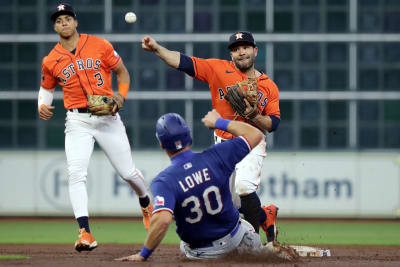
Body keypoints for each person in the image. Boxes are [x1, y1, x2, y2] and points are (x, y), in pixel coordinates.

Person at [141, 31, 280, 241]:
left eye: (245, 47)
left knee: (243, 187)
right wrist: (157, 49)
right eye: (235, 49)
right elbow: (183, 62)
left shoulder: (268, 86)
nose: (241, 52)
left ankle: (253, 244)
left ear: (255, 51)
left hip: (251, 142)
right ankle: (265, 215)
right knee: (230, 203)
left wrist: (254, 115)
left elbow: (273, 124)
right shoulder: (218, 68)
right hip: (223, 143)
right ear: (231, 55)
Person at [38, 3, 153, 252]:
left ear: (76, 22)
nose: (64, 23)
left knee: (127, 173)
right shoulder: (50, 60)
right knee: (76, 173)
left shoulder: (100, 45)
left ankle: (145, 201)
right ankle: (85, 232)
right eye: (59, 21)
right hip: (77, 120)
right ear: (55, 27)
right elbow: (47, 87)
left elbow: (123, 74)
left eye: (67, 18)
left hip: (107, 116)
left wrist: (121, 97)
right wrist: (42, 104)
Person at [116, 110, 274, 261]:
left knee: (183, 245)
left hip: (201, 253)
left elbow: (163, 220)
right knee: (243, 223)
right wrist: (219, 122)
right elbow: (256, 134)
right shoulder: (216, 156)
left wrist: (143, 254)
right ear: (189, 137)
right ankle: (268, 249)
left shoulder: (163, 181)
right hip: (237, 241)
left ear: (162, 145)